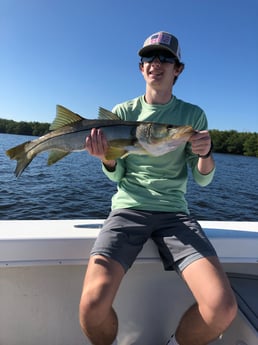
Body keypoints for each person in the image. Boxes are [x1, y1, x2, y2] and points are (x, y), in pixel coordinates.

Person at [79, 31, 237, 345]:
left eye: (165, 58)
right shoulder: (123, 112)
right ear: (141, 68)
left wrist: (206, 153)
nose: (156, 63)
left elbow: (203, 178)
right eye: (149, 58)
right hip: (128, 209)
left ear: (178, 69)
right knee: (92, 307)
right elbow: (116, 174)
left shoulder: (192, 116)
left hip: (174, 215)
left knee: (222, 309)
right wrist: (106, 160)